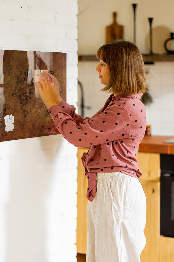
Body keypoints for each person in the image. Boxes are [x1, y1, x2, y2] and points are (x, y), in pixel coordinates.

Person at [36, 40, 148, 262]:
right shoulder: (121, 102)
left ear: (119, 68)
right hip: (111, 189)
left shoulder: (125, 107)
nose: (97, 68)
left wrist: (51, 104)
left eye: (103, 63)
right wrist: (57, 99)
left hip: (116, 191)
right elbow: (87, 129)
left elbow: (79, 137)